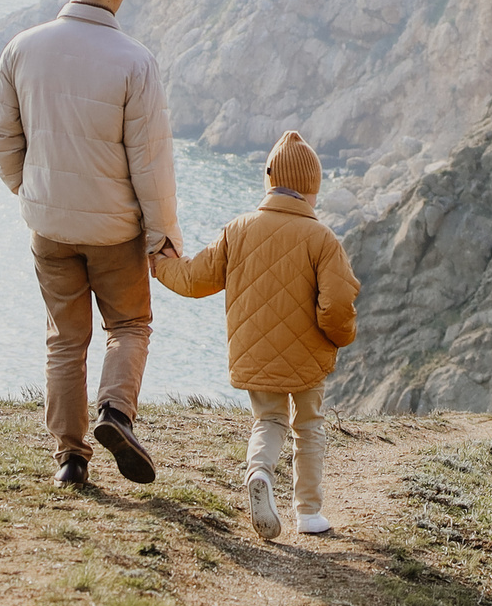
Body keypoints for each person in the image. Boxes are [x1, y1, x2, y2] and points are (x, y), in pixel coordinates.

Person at [0, 0, 179, 488]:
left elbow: (0, 137)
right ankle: (115, 414)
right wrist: (161, 234)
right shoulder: (135, 62)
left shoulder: (21, 48)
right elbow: (151, 163)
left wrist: (31, 189)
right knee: (130, 324)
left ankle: (70, 459)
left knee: (65, 339)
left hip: (49, 226)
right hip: (114, 229)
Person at [151, 130, 358, 539]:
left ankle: (259, 470)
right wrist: (340, 337)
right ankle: (309, 513)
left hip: (255, 352)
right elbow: (337, 305)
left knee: (269, 419)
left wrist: (160, 265)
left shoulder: (238, 229)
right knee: (309, 425)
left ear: (269, 180)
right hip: (308, 357)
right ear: (312, 188)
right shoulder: (323, 239)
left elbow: (195, 278)